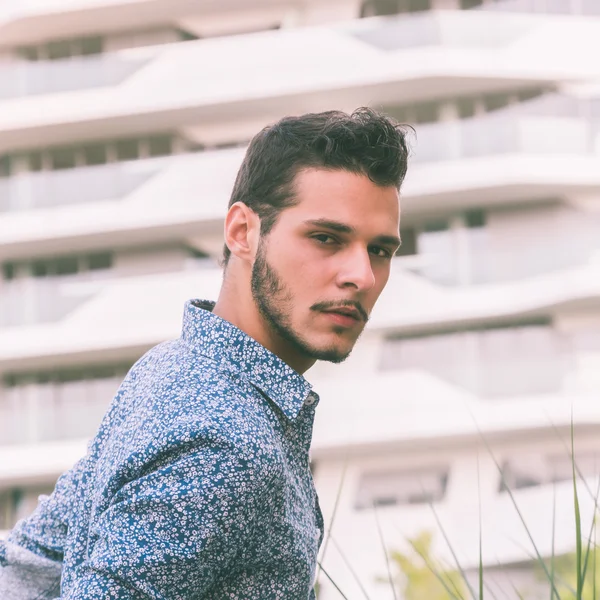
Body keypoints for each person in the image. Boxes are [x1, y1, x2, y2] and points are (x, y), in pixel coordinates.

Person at [0, 108, 410, 599]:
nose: (361, 276)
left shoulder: (173, 368)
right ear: (242, 232)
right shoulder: (224, 441)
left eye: (380, 251)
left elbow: (29, 564)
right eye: (326, 238)